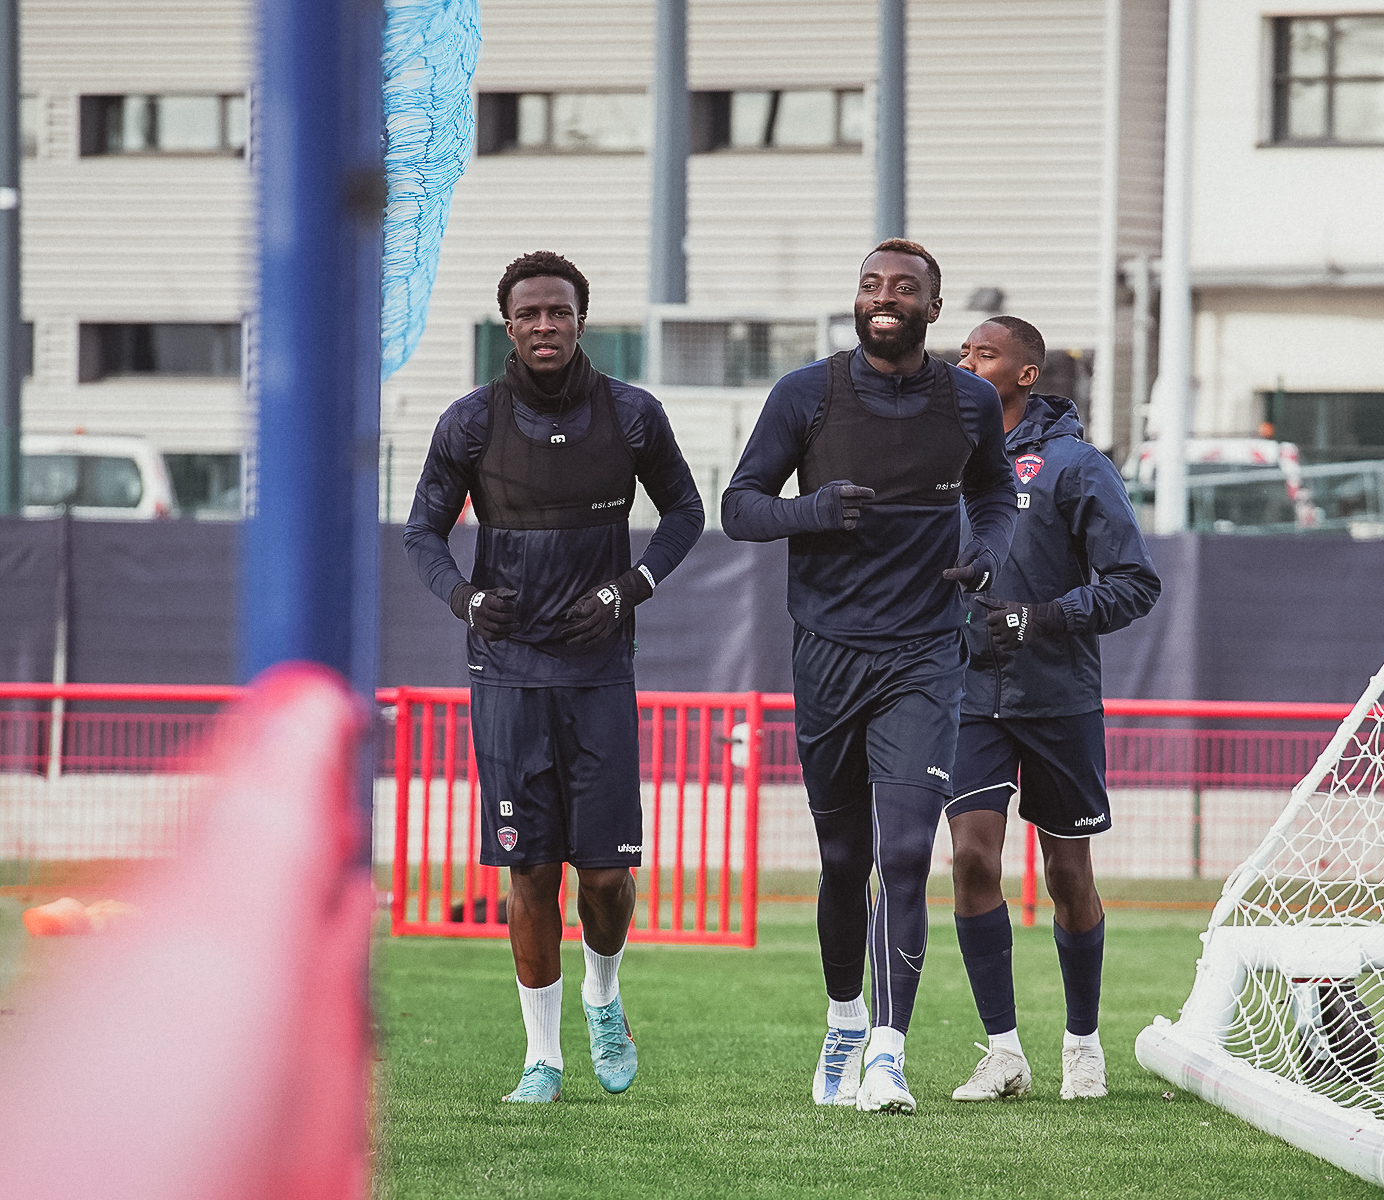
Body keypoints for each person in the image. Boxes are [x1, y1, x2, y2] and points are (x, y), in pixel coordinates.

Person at [721, 239, 1017, 1113]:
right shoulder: (806, 394)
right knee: (844, 859)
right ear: (856, 302)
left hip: (926, 652)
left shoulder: (967, 401)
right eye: (870, 285)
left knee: (902, 854)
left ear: (933, 307)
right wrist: (812, 509)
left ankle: (888, 1055)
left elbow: (994, 496)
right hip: (826, 651)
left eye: (904, 289)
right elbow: (739, 506)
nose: (883, 298)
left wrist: (988, 555)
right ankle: (846, 1020)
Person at [404, 251, 704, 1104]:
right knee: (530, 871)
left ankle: (602, 992)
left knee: (604, 878)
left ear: (581, 319)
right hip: (504, 674)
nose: (545, 325)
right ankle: (543, 1057)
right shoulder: (469, 421)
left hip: (601, 671)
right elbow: (422, 533)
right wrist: (464, 599)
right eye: (529, 313)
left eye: (559, 312)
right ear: (509, 324)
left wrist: (630, 588)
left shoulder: (633, 415)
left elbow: (686, 511)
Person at [944, 316, 1159, 1104]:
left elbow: (1135, 583)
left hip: (1058, 696)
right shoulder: (943, 460)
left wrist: (1043, 617)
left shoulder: (1075, 464)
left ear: (1026, 374)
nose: (967, 362)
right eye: (963, 352)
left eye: (985, 354)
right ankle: (1003, 1051)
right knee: (970, 859)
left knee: (1069, 875)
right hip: (967, 696)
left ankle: (1082, 1043)